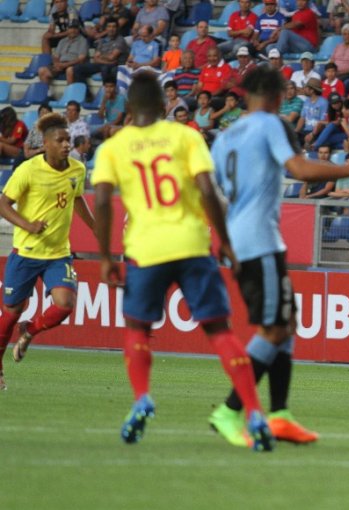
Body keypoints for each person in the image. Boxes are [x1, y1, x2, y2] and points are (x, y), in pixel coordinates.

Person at [91, 72, 274, 451]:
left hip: (145, 249)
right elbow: (208, 189)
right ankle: (254, 412)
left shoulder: (113, 147)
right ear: (163, 105)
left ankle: (142, 397)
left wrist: (106, 256)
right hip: (192, 245)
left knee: (138, 329)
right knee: (220, 332)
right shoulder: (185, 135)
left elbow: (104, 201)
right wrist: (225, 240)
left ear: (127, 108)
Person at [0, 113, 95, 390]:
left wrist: (95, 228)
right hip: (27, 252)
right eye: (61, 140)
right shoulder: (28, 170)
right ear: (46, 143)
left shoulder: (77, 169)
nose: (67, 144)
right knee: (10, 313)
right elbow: (4, 204)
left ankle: (30, 330)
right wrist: (27, 224)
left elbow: (77, 200)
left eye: (69, 139)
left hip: (58, 253)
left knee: (65, 304)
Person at [70, 19, 128, 86]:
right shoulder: (103, 40)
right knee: (77, 68)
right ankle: (87, 94)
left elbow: (112, 57)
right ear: (106, 28)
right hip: (104, 64)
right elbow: (95, 58)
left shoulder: (120, 40)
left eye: (114, 27)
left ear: (117, 28)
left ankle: (106, 93)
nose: (111, 29)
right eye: (109, 26)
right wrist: (106, 60)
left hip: (115, 65)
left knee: (105, 68)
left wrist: (101, 56)